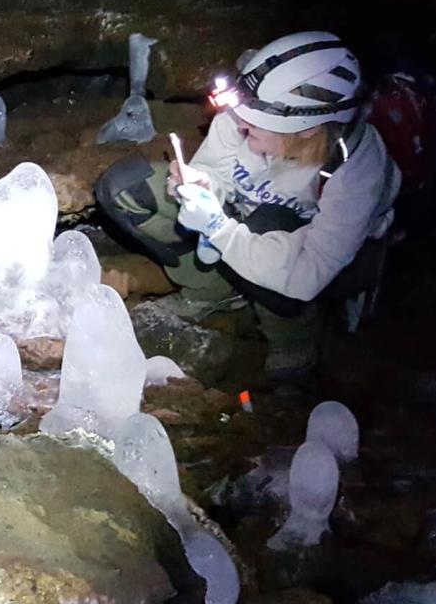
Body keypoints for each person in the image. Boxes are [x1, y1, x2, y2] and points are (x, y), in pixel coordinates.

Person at [96, 31, 402, 381]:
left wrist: (217, 228)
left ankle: (293, 337)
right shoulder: (244, 114)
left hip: (319, 264)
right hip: (242, 223)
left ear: (304, 130)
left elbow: (306, 273)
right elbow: (218, 170)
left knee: (268, 222)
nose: (237, 123)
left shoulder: (356, 169)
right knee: (127, 189)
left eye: (252, 124)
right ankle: (212, 292)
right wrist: (203, 185)